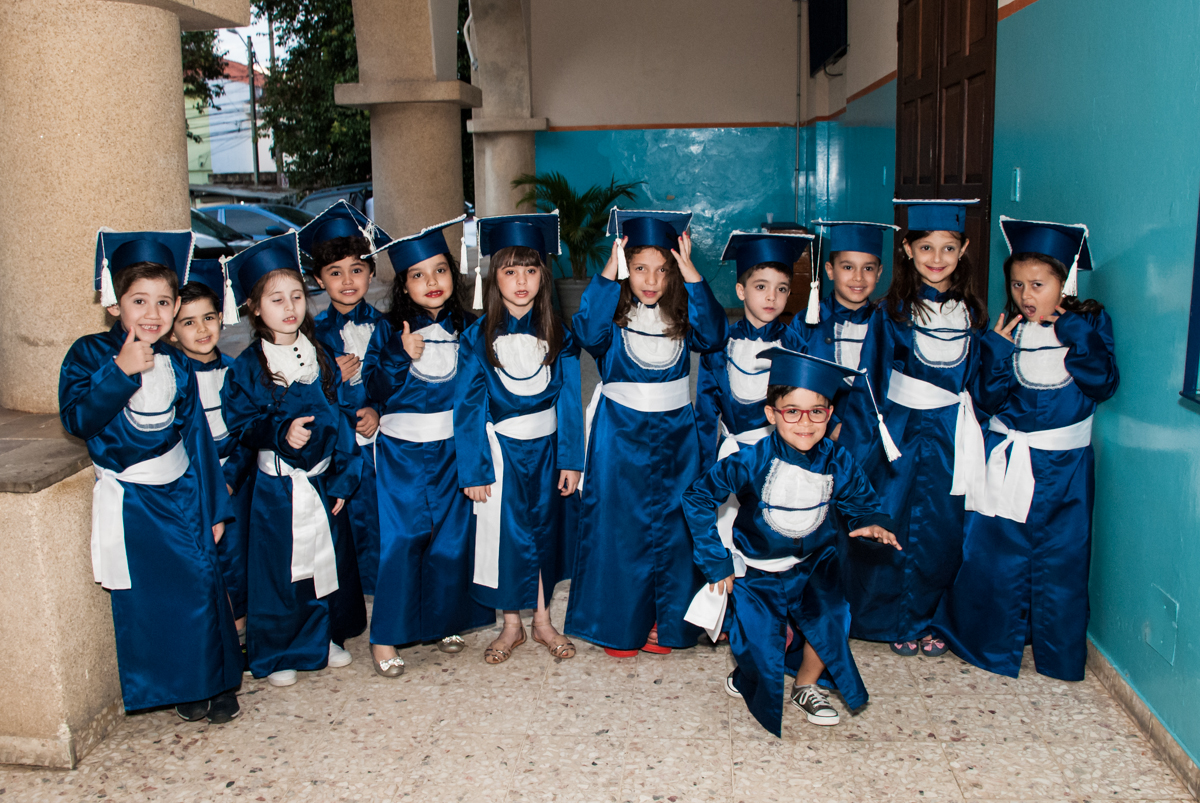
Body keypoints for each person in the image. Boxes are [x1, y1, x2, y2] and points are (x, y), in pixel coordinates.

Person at [60, 229, 241, 723]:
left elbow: (197, 440)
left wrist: (214, 507)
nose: (153, 314)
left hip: (182, 493)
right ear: (114, 303)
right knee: (153, 599)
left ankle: (218, 676)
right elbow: (78, 419)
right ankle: (182, 686)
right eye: (139, 301)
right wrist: (120, 372)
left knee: (204, 583)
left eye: (164, 302)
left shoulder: (178, 364)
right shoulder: (88, 355)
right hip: (133, 501)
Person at [934, 218, 1118, 680]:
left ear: (1065, 282)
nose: (1025, 295)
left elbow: (1103, 383)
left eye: (1038, 284)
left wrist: (1077, 335)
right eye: (1017, 284)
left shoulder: (1090, 324)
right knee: (995, 552)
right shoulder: (1009, 329)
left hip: (1066, 467)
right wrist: (994, 351)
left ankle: (1057, 653)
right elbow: (988, 399)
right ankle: (987, 641)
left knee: (1063, 556)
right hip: (1008, 456)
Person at [683, 348, 900, 737]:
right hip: (758, 569)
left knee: (832, 618)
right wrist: (716, 560)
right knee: (759, 643)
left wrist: (872, 521)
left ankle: (806, 685)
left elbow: (862, 501)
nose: (805, 422)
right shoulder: (749, 460)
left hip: (814, 563)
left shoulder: (838, 460)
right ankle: (750, 668)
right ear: (771, 414)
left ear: (830, 413)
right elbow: (697, 497)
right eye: (792, 411)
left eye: (817, 411)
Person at [564, 210, 728, 657]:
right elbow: (585, 331)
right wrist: (607, 273)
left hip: (677, 434)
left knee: (676, 529)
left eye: (662, 269)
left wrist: (694, 275)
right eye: (640, 269)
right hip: (620, 434)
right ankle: (619, 623)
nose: (651, 280)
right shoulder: (613, 317)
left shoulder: (682, 315)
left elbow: (714, 335)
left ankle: (666, 622)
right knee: (621, 527)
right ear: (625, 269)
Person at [222, 232, 362, 687]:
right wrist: (279, 432)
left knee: (326, 561)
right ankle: (280, 650)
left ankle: (323, 637)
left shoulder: (319, 357)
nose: (289, 307)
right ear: (254, 308)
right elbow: (241, 426)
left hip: (321, 480)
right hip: (276, 487)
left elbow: (341, 418)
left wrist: (342, 477)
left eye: (297, 296)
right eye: (276, 299)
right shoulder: (247, 365)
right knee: (280, 569)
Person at [848, 200, 988, 657]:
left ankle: (932, 619)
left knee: (943, 531)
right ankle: (892, 620)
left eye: (948, 248)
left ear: (963, 249)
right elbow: (869, 380)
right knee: (893, 521)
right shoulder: (890, 312)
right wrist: (860, 447)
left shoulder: (973, 313)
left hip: (951, 434)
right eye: (926, 246)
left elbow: (978, 383)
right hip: (901, 432)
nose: (937, 257)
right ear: (907, 249)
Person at [360, 217, 495, 677]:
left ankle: (442, 620)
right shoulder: (387, 332)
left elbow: (478, 393)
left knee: (450, 540)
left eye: (439, 271)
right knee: (403, 540)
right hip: (402, 454)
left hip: (453, 450)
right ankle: (384, 637)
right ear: (403, 285)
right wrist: (402, 355)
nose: (430, 282)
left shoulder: (469, 328)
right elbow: (374, 386)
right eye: (417, 275)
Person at [454, 212, 584, 664]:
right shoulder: (477, 338)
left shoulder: (558, 335)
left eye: (531, 270)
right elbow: (468, 406)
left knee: (544, 533)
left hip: (548, 450)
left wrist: (571, 459)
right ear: (495, 279)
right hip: (502, 451)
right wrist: (474, 468)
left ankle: (544, 621)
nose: (521, 281)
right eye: (510, 271)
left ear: (543, 277)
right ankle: (512, 625)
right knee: (507, 537)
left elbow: (569, 399)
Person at [694, 230, 812, 561]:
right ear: (741, 290)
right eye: (761, 287)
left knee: (777, 540)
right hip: (734, 456)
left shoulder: (797, 347)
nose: (771, 297)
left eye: (782, 289)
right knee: (730, 538)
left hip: (781, 457)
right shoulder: (720, 345)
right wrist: (705, 470)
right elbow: (706, 413)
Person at [300, 202, 390, 636]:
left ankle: (396, 602)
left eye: (357, 269)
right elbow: (297, 400)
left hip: (387, 449)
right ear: (318, 281)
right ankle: (347, 614)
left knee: (390, 523)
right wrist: (330, 379)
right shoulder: (309, 338)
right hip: (340, 453)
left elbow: (407, 384)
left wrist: (378, 408)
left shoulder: (392, 327)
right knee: (345, 530)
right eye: (334, 272)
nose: (347, 280)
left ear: (371, 273)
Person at [168, 258, 253, 652]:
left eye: (209, 317)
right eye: (188, 322)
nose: (202, 330)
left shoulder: (237, 371)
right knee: (198, 561)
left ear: (223, 317)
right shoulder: (167, 378)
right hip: (189, 483)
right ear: (171, 331)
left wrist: (231, 474)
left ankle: (238, 637)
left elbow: (248, 432)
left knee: (235, 558)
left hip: (232, 480)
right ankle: (206, 640)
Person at [786, 221, 898, 472]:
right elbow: (792, 385)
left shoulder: (888, 324)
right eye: (847, 267)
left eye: (868, 268)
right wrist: (831, 423)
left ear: (879, 272)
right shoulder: (808, 323)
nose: (858, 277)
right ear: (829, 269)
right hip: (819, 435)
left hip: (876, 438)